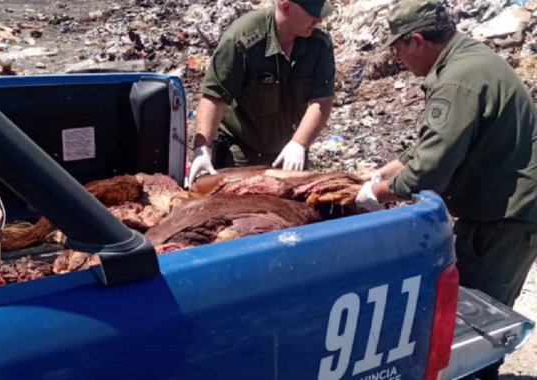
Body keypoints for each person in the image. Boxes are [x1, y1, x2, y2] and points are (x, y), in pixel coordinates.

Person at [357, 0, 537, 378]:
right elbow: (429, 147)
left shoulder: (456, 80)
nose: (397, 57)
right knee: (468, 309)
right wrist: (378, 174)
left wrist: (378, 194)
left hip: (504, 217)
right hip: (502, 207)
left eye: (397, 48)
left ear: (417, 41)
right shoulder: (469, 59)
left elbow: (429, 170)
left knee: (476, 320)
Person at [187, 0, 336, 187]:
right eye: (311, 13)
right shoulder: (242, 39)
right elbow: (215, 97)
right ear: (286, 6)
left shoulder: (318, 43)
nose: (318, 20)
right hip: (242, 153)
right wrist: (202, 148)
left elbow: (322, 100)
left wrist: (299, 144)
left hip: (290, 152)